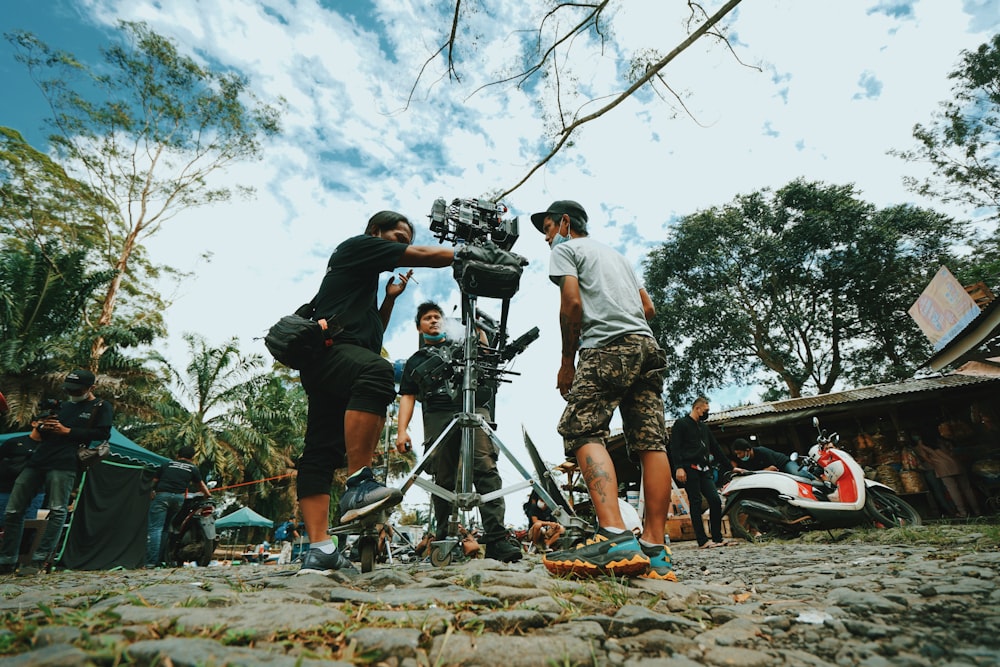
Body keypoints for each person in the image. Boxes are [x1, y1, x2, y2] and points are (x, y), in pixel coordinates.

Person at [296, 210, 454, 575]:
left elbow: (371, 334)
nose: (403, 247)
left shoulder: (363, 281)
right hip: (331, 354)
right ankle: (359, 484)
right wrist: (466, 255)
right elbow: (427, 257)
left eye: (406, 241)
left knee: (320, 451)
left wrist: (390, 299)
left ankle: (319, 548)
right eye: (398, 239)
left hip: (336, 361)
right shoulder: (354, 248)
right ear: (373, 232)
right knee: (378, 371)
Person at [532, 199, 675, 580]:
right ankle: (655, 549)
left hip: (606, 348)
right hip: (646, 347)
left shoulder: (567, 250)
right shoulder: (618, 257)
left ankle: (614, 535)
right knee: (651, 441)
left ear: (564, 223)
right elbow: (648, 308)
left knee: (582, 429)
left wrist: (567, 361)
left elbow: (572, 304)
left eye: (547, 228)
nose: (546, 238)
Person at [395, 302, 522, 563]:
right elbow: (407, 396)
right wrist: (401, 431)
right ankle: (445, 537)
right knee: (443, 477)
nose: (434, 321)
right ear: (419, 326)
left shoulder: (462, 344)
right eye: (427, 318)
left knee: (484, 466)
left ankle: (497, 538)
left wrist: (476, 328)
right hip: (437, 415)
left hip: (473, 407)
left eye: (437, 317)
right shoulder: (415, 361)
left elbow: (486, 355)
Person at [0, 369, 113, 574]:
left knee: (58, 509)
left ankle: (39, 560)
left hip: (65, 462)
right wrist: (45, 426)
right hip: (38, 459)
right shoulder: (65, 406)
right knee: (13, 509)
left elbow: (103, 433)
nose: (72, 392)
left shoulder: (100, 406)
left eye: (77, 389)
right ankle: (7, 560)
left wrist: (68, 431)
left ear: (91, 388)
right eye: (69, 389)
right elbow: (45, 432)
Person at [670, 396, 733, 549]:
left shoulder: (704, 428)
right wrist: (678, 467)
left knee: (715, 501)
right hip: (689, 468)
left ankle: (717, 537)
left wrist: (730, 467)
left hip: (704, 469)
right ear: (697, 408)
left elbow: (716, 448)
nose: (707, 413)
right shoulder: (681, 424)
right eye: (705, 410)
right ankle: (702, 540)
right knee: (696, 502)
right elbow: (674, 446)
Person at [145, 445, 212, 568]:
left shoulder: (167, 464)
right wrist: (208, 495)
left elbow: (154, 481)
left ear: (177, 455)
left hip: (162, 496)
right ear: (192, 458)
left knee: (156, 529)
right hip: (178, 500)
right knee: (166, 529)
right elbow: (201, 485)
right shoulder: (193, 468)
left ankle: (151, 562)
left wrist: (152, 492)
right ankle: (161, 560)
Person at [915, 424, 983, 518]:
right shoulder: (942, 440)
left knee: (953, 490)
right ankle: (977, 511)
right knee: (967, 489)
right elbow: (952, 450)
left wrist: (935, 462)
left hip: (943, 468)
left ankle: (963, 513)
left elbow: (926, 458)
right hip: (956, 464)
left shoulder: (922, 444)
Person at [0, 430, 46, 526]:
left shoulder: (51, 445)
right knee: (3, 521)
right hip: (7, 488)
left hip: (34, 491)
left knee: (27, 523)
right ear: (34, 423)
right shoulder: (13, 442)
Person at [731, 438, 817, 479]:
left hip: (784, 464)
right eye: (737, 454)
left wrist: (760, 472)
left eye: (739, 453)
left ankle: (818, 480)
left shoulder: (762, 451)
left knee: (797, 474)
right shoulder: (746, 461)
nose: (738, 456)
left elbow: (773, 468)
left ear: (747, 450)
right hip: (772, 475)